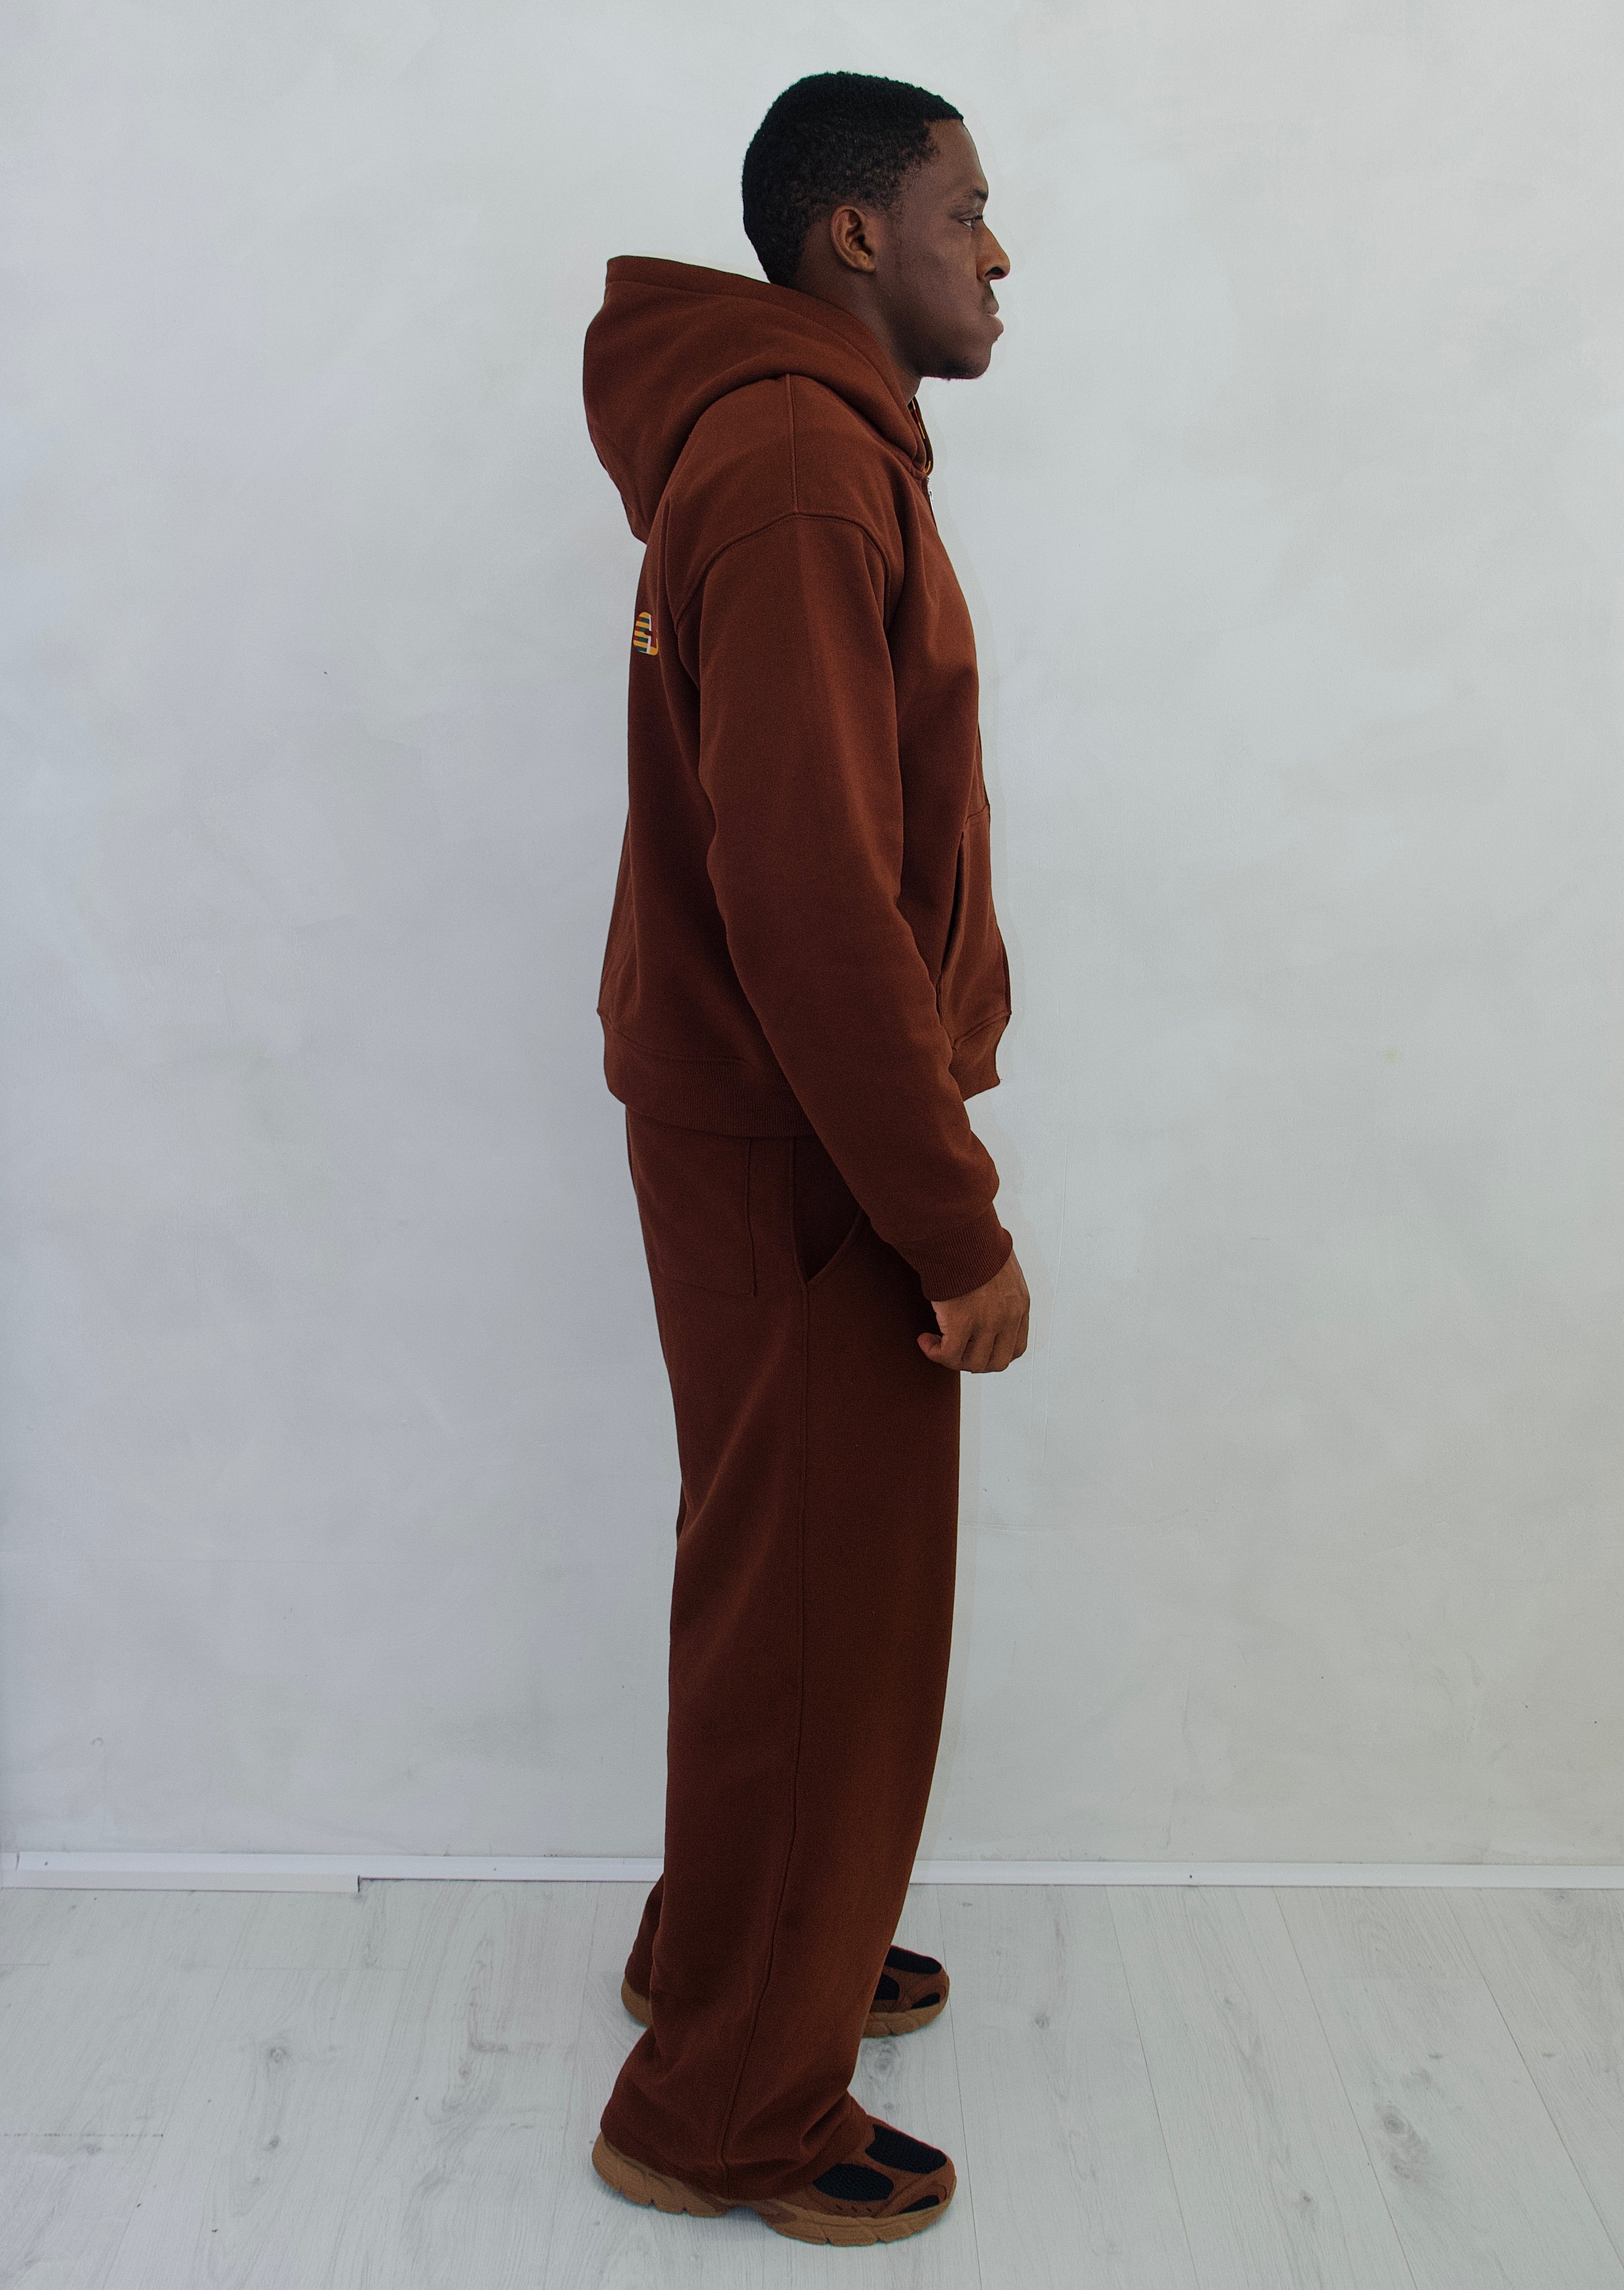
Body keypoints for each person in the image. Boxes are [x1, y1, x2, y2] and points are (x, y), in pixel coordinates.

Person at [580, 69, 1028, 2247]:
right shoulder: (791, 466)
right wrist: (954, 1224)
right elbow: (811, 896)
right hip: (806, 1140)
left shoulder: (801, 445)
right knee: (825, 1608)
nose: (998, 254)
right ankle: (725, 2109)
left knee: (784, 1572)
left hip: (766, 1117)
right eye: (968, 210)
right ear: (856, 233)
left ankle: (739, 1945)